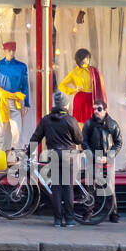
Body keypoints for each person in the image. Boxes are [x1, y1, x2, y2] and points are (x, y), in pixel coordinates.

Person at [28, 91, 82, 228]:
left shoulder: (46, 120)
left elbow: (36, 138)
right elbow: (78, 139)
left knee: (56, 188)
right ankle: (69, 219)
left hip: (53, 155)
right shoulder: (70, 120)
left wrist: (28, 153)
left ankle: (57, 220)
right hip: (68, 155)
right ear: (66, 104)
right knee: (68, 187)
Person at [81, 100, 123, 223]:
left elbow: (119, 142)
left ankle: (113, 213)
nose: (96, 111)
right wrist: (93, 156)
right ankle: (88, 212)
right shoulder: (88, 124)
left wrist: (109, 156)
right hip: (93, 159)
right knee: (90, 186)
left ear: (105, 109)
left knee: (110, 186)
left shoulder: (113, 124)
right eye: (94, 109)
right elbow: (84, 142)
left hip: (107, 159)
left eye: (99, 109)